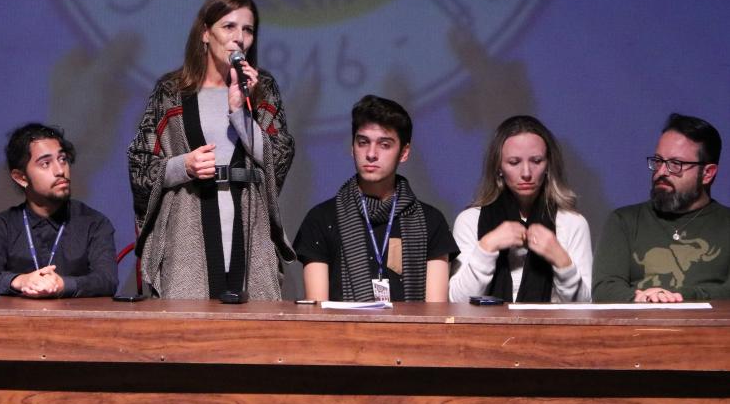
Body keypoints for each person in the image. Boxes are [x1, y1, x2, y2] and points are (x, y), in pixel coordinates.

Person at [128, 0, 295, 300]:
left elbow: (280, 156)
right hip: (187, 226)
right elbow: (140, 163)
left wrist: (239, 111)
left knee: (252, 331)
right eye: (228, 27)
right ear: (205, 33)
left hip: (248, 225)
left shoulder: (261, 88)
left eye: (248, 29)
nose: (240, 38)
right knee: (188, 332)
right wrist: (183, 166)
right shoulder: (171, 91)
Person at [294, 95, 456, 302]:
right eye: (363, 143)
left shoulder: (430, 221)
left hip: (412, 334)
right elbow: (317, 312)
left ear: (404, 153)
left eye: (385, 145)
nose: (371, 154)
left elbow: (435, 313)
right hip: (342, 333)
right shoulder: (322, 219)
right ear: (352, 148)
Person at [449, 115, 592, 303]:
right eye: (514, 162)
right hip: (484, 331)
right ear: (498, 167)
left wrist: (561, 259)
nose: (526, 173)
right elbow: (457, 303)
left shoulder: (572, 223)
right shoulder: (469, 220)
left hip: (552, 331)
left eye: (536, 160)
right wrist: (487, 246)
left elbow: (585, 308)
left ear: (548, 164)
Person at [593, 113, 729, 302]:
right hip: (636, 329)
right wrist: (644, 300)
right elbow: (604, 290)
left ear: (707, 173)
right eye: (658, 161)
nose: (662, 172)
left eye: (676, 164)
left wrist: (679, 298)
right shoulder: (624, 221)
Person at [0, 123, 118, 298]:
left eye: (62, 159)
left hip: (76, 322)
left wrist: (63, 284)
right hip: (15, 323)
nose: (60, 170)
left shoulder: (94, 223)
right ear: (21, 177)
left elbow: (107, 280)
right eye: (46, 163)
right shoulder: (2, 225)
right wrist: (21, 281)